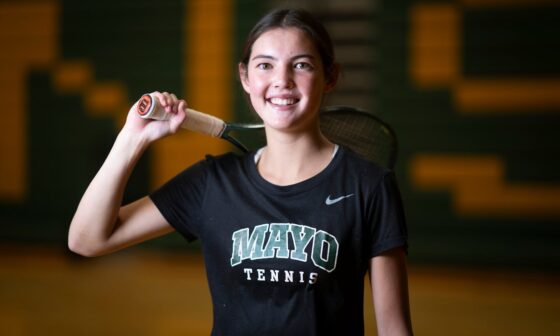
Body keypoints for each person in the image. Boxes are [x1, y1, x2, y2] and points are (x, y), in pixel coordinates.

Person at [68, 8, 413, 336]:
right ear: (245, 78)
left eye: (302, 65)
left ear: (330, 77)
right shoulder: (213, 183)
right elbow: (87, 240)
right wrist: (131, 138)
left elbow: (394, 328)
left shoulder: (369, 185)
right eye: (265, 65)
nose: (282, 81)